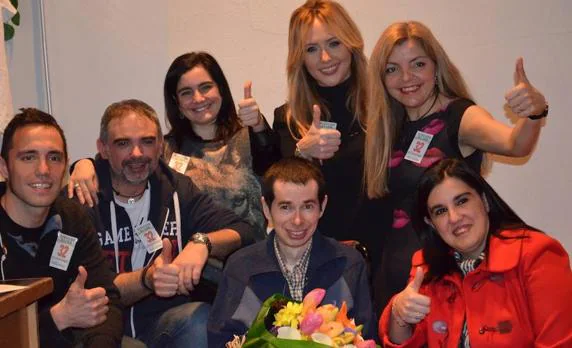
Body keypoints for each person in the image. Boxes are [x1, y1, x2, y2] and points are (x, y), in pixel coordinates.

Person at [363, 21, 549, 313]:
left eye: (418, 64)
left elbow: (515, 144)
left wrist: (535, 112)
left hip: (449, 289)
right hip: (396, 290)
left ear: (436, 67)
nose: (406, 77)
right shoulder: (389, 127)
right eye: (392, 69)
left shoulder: (460, 117)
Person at [73, 99, 254, 348]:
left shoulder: (177, 188)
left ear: (160, 146)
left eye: (147, 142)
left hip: (163, 327)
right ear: (103, 149)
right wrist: (148, 279)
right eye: (123, 143)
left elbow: (244, 230)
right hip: (102, 331)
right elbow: (94, 289)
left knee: (199, 318)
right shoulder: (84, 198)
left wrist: (202, 243)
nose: (137, 154)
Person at [69, 52, 279, 240]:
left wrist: (259, 125)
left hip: (249, 262)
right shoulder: (162, 148)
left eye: (206, 87)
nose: (198, 98)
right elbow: (119, 161)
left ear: (221, 90)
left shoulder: (252, 137)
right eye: (186, 92)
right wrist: (83, 164)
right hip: (188, 271)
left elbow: (277, 164)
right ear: (176, 102)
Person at [378, 158, 572, 347]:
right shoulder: (426, 266)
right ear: (431, 224)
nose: (454, 217)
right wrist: (399, 312)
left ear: (485, 201)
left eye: (461, 201)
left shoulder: (537, 254)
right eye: (440, 211)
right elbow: (404, 342)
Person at [207, 157, 376, 347]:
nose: (297, 220)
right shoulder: (241, 267)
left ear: (323, 206)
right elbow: (219, 339)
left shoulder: (349, 264)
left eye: (307, 206)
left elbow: (366, 337)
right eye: (285, 207)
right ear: (266, 209)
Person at [0, 108, 123, 347]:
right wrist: (57, 318)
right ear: (4, 168)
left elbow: (107, 301)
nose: (44, 170)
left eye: (54, 158)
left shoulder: (71, 217)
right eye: (28, 157)